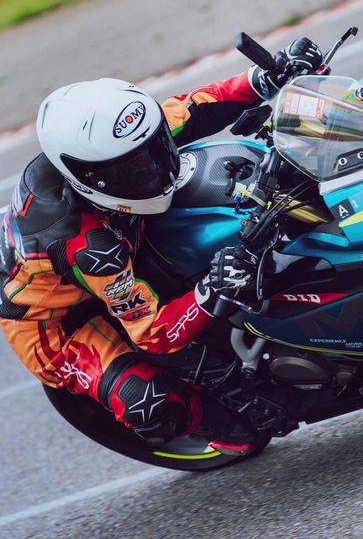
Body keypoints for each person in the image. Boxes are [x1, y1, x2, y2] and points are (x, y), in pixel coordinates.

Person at [0, 38, 323, 453]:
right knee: (147, 401)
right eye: (133, 169)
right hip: (60, 326)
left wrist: (265, 77)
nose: (153, 168)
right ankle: (211, 417)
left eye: (153, 150)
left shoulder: (115, 145)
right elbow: (154, 334)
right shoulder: (92, 245)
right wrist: (214, 287)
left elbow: (192, 108)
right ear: (89, 179)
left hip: (120, 242)